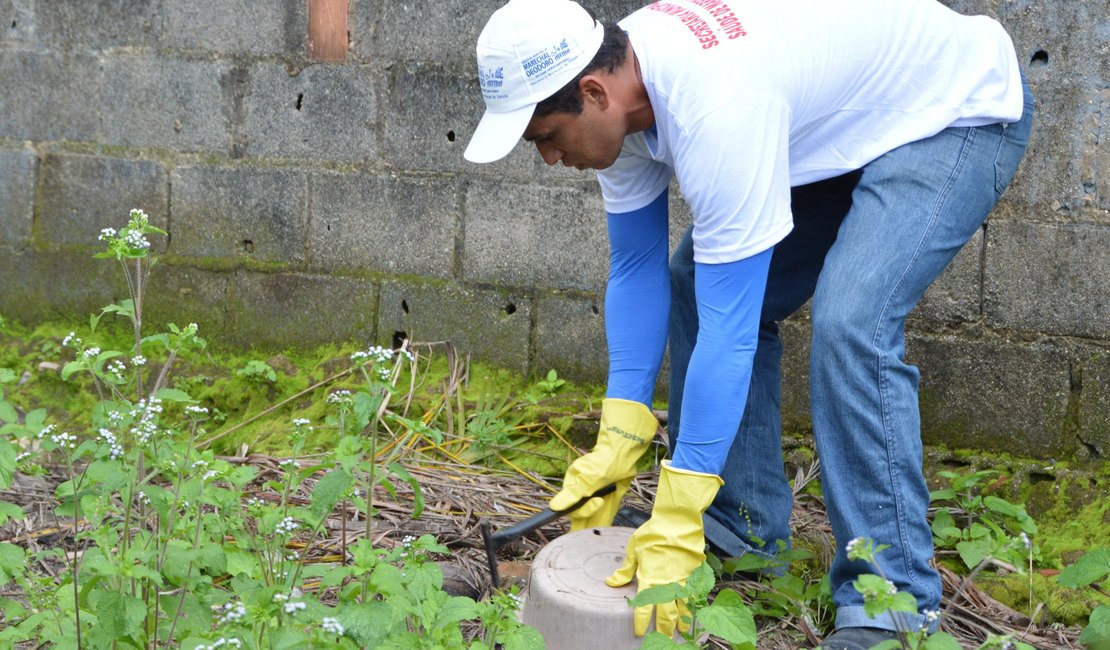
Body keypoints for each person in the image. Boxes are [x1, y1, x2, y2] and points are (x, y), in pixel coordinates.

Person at [463, 0, 1033, 647]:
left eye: (545, 137)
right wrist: (619, 429)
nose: (547, 157)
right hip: (844, 125)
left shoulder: (715, 105)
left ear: (593, 92)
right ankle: (741, 528)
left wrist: (674, 503)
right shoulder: (621, 87)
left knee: (853, 322)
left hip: (949, 112)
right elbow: (638, 268)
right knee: (690, 279)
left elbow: (729, 329)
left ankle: (894, 603)